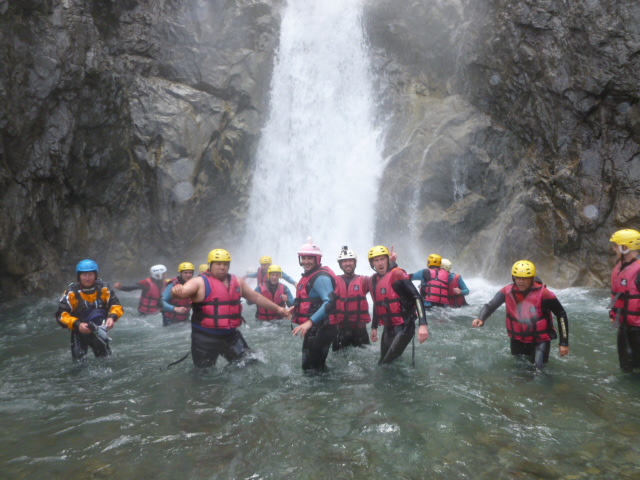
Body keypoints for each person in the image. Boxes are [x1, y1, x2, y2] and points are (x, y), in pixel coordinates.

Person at [172, 248, 290, 368]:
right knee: (204, 375)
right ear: (210, 264)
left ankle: (232, 379)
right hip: (204, 338)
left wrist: (279, 309)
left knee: (250, 362)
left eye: (225, 264)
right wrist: (176, 291)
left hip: (230, 336)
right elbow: (182, 291)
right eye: (218, 264)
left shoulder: (237, 281)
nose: (222, 267)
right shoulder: (199, 282)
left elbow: (256, 297)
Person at [471, 260, 569, 368]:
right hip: (517, 338)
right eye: (518, 278)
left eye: (525, 278)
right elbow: (490, 305)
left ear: (532, 278)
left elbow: (561, 314)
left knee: (539, 371)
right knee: (518, 369)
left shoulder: (545, 294)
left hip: (540, 340)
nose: (521, 281)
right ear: (513, 278)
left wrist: (564, 343)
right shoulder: (507, 291)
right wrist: (481, 318)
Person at [368, 245, 429, 364]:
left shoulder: (398, 275)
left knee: (385, 363)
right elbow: (378, 303)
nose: (380, 263)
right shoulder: (374, 280)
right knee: (384, 361)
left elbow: (417, 297)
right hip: (389, 327)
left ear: (387, 260)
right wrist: (374, 327)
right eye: (376, 260)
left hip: (405, 325)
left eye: (382, 259)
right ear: (372, 264)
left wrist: (423, 324)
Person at [55, 259, 124, 360]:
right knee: (78, 364)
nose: (87, 278)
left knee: (105, 360)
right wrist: (78, 325)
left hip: (99, 331)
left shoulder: (104, 288)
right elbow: (61, 315)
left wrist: (112, 318)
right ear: (79, 276)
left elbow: (116, 305)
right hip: (79, 332)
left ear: (95, 275)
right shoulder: (71, 293)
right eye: (84, 275)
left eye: (90, 274)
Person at [291, 238, 338, 371]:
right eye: (303, 258)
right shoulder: (311, 275)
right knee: (313, 369)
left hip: (321, 328)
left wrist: (309, 322)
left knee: (312, 370)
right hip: (318, 327)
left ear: (317, 259)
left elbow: (330, 302)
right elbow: (312, 299)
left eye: (309, 258)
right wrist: (296, 307)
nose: (305, 261)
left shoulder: (320, 277)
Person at [609, 229, 640, 372]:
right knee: (626, 367)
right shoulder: (621, 265)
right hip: (624, 324)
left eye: (616, 245)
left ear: (625, 247)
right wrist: (614, 314)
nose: (614, 248)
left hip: (637, 327)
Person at [329, 246, 371, 351]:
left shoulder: (364, 280)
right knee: (338, 359)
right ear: (340, 265)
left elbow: (382, 279)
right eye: (344, 261)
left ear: (355, 263)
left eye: (350, 261)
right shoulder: (333, 281)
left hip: (360, 329)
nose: (347, 263)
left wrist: (391, 265)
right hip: (340, 329)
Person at [161, 262, 195, 326]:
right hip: (170, 320)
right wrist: (175, 309)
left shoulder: (192, 284)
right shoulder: (172, 284)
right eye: (185, 272)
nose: (188, 275)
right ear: (181, 273)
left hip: (185, 319)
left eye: (190, 272)